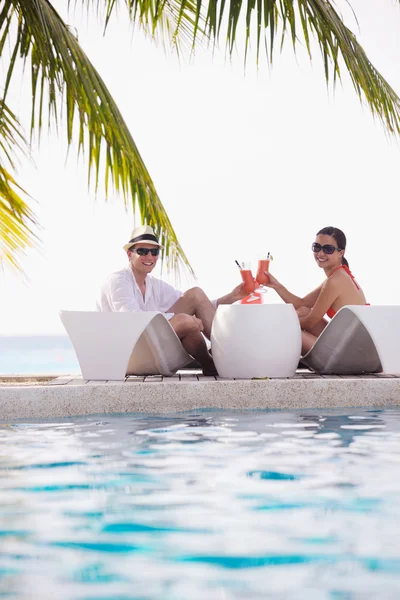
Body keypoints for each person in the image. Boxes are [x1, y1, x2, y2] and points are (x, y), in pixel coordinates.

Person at [97, 225, 247, 374]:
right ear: (129, 254)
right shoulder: (118, 280)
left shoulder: (154, 285)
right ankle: (227, 357)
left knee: (195, 295)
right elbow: (133, 320)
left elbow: (201, 306)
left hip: (151, 344)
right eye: (142, 251)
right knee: (186, 322)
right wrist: (183, 320)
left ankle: (213, 363)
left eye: (154, 252)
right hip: (129, 351)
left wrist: (233, 296)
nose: (149, 257)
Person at [265, 226, 368, 355]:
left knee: (290, 331)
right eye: (317, 247)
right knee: (303, 311)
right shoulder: (338, 276)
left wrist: (278, 325)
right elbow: (302, 303)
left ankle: (265, 354)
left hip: (348, 354)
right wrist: (276, 285)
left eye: (328, 249)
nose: (320, 254)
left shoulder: (336, 281)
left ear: (341, 253)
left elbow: (310, 322)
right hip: (346, 344)